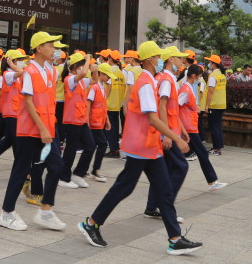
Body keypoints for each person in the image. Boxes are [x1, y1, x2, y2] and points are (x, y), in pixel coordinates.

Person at [77, 41, 203, 255]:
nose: (160, 60)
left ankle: (175, 238)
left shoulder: (151, 81)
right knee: (124, 187)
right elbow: (152, 118)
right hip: (140, 145)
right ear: (150, 60)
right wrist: (176, 137)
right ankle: (91, 223)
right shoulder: (145, 83)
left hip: (149, 146)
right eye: (157, 56)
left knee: (163, 190)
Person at [0, 31, 68, 232]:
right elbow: (28, 102)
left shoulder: (51, 71)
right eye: (51, 45)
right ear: (39, 48)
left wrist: (49, 127)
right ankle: (7, 213)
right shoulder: (30, 71)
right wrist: (43, 127)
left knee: (56, 166)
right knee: (21, 170)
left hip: (47, 129)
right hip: (30, 130)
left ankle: (46, 211)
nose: (54, 49)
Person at [144, 46, 191, 222]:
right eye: (179, 58)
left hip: (171, 132)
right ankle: (166, 205)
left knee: (163, 171)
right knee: (180, 167)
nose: (182, 61)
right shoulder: (166, 79)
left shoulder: (170, 78)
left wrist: (182, 130)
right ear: (171, 59)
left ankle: (152, 206)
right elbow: (162, 106)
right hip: (167, 134)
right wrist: (167, 136)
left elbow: (173, 109)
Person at [180, 64, 227, 191]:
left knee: (200, 154)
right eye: (200, 76)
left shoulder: (189, 87)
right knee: (202, 153)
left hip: (190, 126)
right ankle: (212, 181)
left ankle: (212, 181)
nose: (201, 79)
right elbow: (175, 105)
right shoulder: (185, 89)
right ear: (194, 76)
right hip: (188, 127)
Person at [59, 52, 96, 188]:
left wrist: (95, 71)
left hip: (80, 119)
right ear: (76, 66)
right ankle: (63, 177)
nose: (84, 68)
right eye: (81, 65)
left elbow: (94, 81)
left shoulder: (81, 81)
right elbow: (83, 74)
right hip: (72, 119)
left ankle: (78, 174)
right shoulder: (69, 79)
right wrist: (87, 60)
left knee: (91, 146)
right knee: (71, 150)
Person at [86, 62, 113, 182]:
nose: (109, 78)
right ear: (101, 74)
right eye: (107, 75)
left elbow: (102, 104)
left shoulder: (102, 87)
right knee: (101, 144)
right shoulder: (95, 87)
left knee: (93, 146)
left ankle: (89, 170)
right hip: (93, 121)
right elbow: (88, 104)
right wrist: (86, 120)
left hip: (99, 121)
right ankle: (94, 170)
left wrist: (106, 119)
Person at [203, 54, 228, 155]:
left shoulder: (213, 76)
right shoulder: (222, 75)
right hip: (221, 104)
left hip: (214, 105)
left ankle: (216, 149)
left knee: (214, 127)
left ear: (213, 64)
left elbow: (210, 91)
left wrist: (207, 105)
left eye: (210, 62)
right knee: (218, 126)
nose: (209, 64)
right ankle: (219, 146)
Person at [104, 50, 127, 157]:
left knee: (110, 128)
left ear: (109, 59)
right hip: (118, 104)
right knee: (115, 128)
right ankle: (115, 148)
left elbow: (108, 87)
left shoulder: (110, 72)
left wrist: (103, 100)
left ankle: (114, 150)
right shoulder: (121, 73)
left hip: (109, 104)